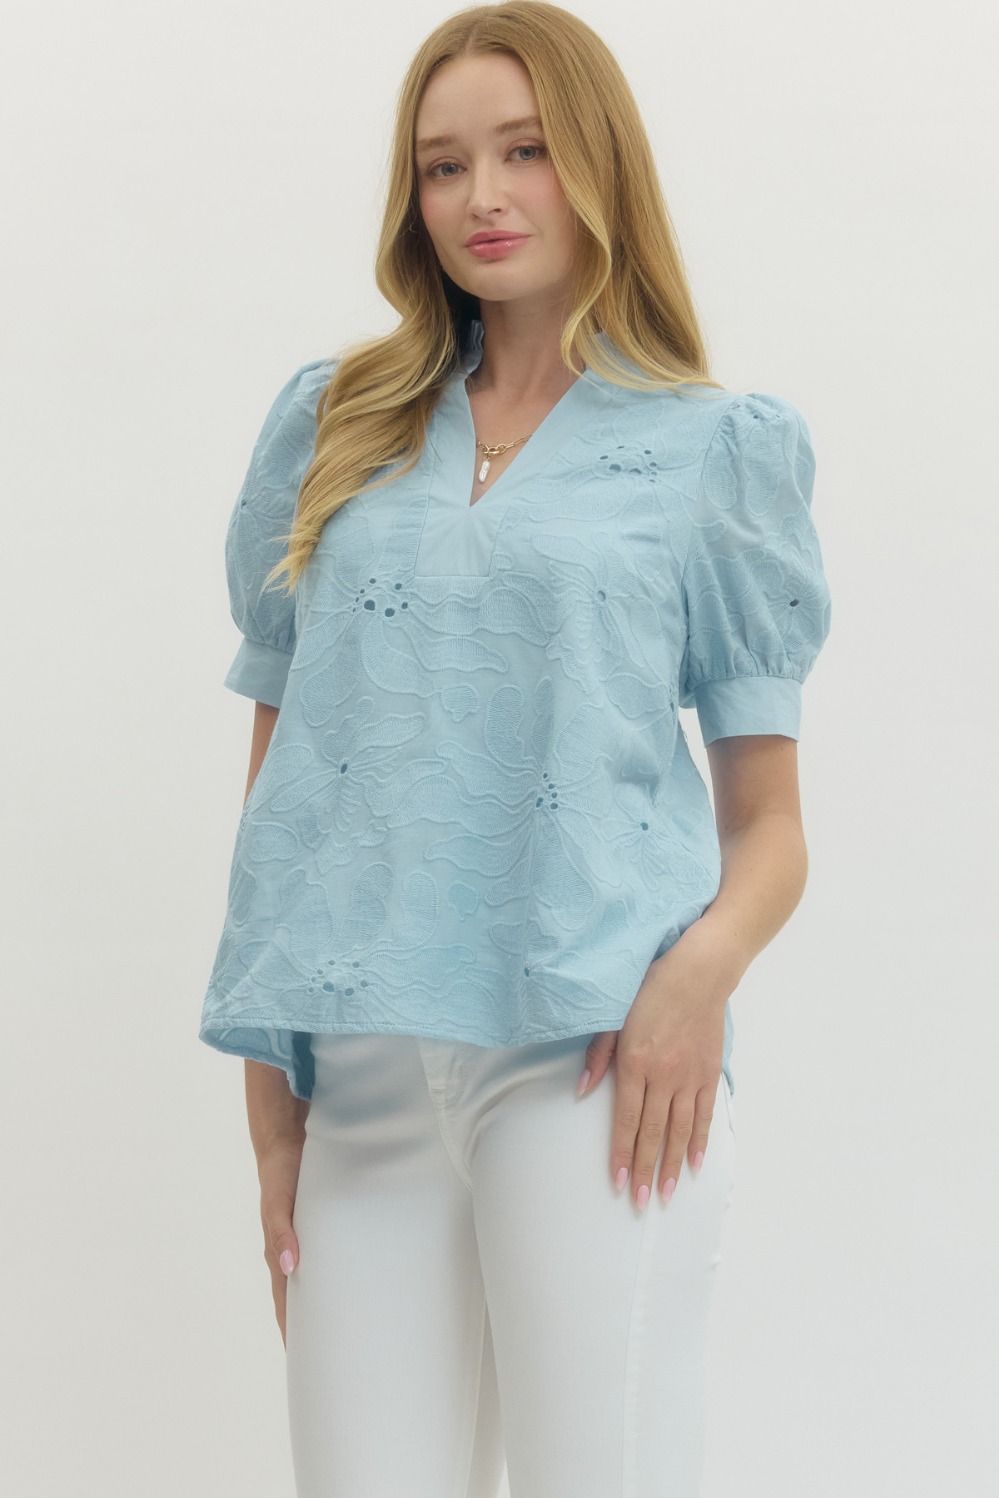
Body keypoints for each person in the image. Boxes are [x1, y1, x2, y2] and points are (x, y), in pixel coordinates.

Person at [198, 4, 832, 1494]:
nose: (481, 195)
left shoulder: (715, 450)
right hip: (358, 1072)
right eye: (443, 165)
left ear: (596, 163)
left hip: (589, 1065)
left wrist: (694, 982)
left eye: (525, 151)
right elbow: (280, 782)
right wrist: (270, 1090)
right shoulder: (336, 425)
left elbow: (772, 824)